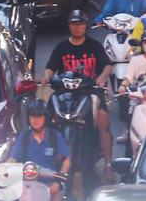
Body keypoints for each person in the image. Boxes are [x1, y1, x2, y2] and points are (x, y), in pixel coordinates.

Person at [41, 11, 113, 172]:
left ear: (86, 25)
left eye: (80, 24)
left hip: (91, 90)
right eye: (74, 24)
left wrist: (101, 78)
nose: (77, 27)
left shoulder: (94, 45)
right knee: (46, 116)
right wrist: (46, 77)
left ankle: (108, 164)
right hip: (65, 92)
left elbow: (108, 65)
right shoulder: (62, 47)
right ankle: (47, 157)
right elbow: (50, 67)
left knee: (103, 121)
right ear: (69, 26)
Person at [9, 101, 70, 198]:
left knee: (56, 195)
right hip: (27, 183)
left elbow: (66, 160)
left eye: (39, 116)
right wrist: (4, 171)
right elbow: (13, 160)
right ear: (28, 118)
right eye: (32, 116)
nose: (35, 120)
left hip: (50, 182)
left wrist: (58, 181)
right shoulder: (23, 138)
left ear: (45, 118)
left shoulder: (55, 136)